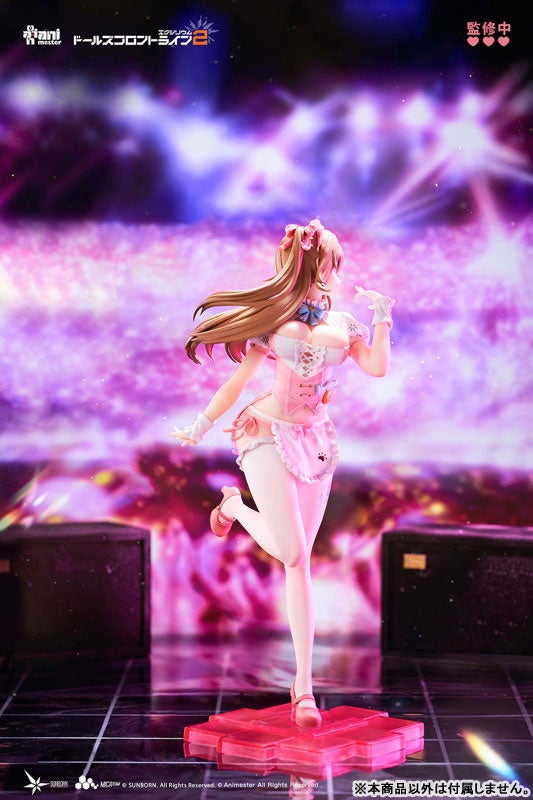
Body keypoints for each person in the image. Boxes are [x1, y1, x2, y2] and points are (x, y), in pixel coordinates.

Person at [171, 219, 393, 727]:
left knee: (300, 561)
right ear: (316, 266)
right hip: (266, 431)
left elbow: (377, 367)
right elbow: (238, 382)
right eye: (333, 263)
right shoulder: (275, 323)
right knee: (292, 551)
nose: (338, 272)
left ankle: (303, 688)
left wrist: (382, 316)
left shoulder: (346, 326)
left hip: (315, 440)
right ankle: (235, 506)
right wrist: (202, 424)